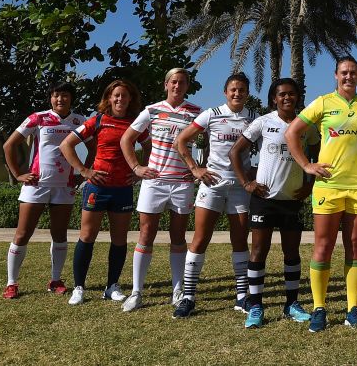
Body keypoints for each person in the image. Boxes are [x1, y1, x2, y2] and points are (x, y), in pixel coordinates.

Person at [285, 56, 357, 333]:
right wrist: (307, 165)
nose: (349, 77)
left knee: (355, 246)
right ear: (335, 75)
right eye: (344, 72)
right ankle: (319, 308)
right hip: (328, 186)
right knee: (323, 247)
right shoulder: (323, 103)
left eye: (353, 72)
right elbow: (291, 133)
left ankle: (352, 310)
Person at [230, 77, 319, 328]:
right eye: (281, 95)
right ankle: (256, 306)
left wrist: (310, 184)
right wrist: (247, 183)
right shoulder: (263, 122)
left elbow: (317, 155)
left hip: (292, 200)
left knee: (291, 253)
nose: (287, 98)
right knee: (259, 251)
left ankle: (291, 304)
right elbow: (235, 152)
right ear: (274, 98)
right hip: (264, 200)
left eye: (291, 94)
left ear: (298, 97)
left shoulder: (307, 126)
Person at [171, 73, 255, 319]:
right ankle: (188, 297)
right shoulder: (211, 114)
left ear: (247, 93)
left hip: (240, 186)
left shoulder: (253, 118)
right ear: (225, 92)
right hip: (212, 183)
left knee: (240, 241)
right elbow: (181, 140)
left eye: (241, 90)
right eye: (233, 89)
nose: (237, 93)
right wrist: (195, 169)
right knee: (200, 239)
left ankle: (241, 297)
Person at [119, 67, 202, 312]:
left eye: (182, 82)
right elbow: (126, 139)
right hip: (154, 182)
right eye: (174, 82)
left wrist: (197, 167)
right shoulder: (152, 110)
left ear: (187, 86)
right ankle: (136, 292)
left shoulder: (196, 112)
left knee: (178, 238)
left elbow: (210, 140)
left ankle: (178, 291)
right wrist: (136, 167)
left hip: (182, 183)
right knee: (146, 234)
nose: (178, 86)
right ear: (166, 85)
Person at [59, 79, 142, 305]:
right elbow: (66, 145)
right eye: (116, 95)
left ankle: (112, 286)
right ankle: (79, 287)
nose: (120, 99)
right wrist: (84, 170)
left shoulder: (135, 124)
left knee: (119, 239)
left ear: (130, 99)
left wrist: (138, 172)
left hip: (123, 189)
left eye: (124, 96)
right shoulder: (97, 121)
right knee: (87, 236)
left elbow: (151, 147)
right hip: (98, 188)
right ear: (108, 98)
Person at [1, 82, 86, 299]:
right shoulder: (38, 118)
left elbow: (94, 148)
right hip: (36, 185)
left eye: (65, 96)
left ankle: (55, 279)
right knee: (22, 234)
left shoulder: (79, 120)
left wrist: (82, 172)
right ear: (50, 98)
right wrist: (18, 174)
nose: (60, 100)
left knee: (59, 235)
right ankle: (12, 283)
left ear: (71, 99)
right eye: (56, 96)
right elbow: (8, 145)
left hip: (64, 187)